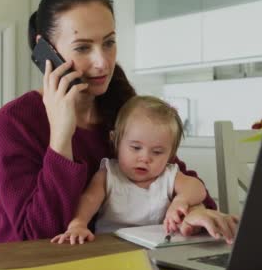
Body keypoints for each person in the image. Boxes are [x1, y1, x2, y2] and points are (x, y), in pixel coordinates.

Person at [0, 0, 238, 245]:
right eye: (82, 47)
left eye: (109, 43)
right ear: (46, 50)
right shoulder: (11, 124)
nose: (102, 62)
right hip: (18, 266)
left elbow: (172, 176)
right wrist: (61, 137)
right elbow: (38, 236)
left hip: (105, 259)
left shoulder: (124, 105)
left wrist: (193, 211)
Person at [51, 96, 209, 245]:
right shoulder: (109, 174)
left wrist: (182, 200)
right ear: (116, 142)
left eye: (157, 152)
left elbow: (197, 188)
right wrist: (78, 224)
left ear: (171, 155)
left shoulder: (168, 175)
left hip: (156, 247)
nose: (145, 158)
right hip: (111, 247)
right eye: (135, 148)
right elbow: (89, 199)